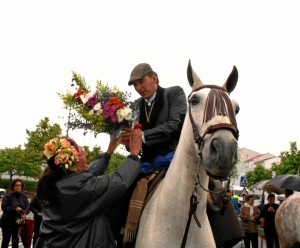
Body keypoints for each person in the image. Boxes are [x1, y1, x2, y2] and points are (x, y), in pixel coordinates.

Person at [108, 63, 187, 247]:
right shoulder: (135, 106)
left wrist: (141, 137)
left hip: (173, 158)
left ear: (154, 77)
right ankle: (118, 237)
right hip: (144, 164)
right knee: (119, 191)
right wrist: (128, 143)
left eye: (140, 82)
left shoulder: (174, 93)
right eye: (134, 85)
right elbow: (135, 146)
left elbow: (177, 125)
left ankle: (223, 236)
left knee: (213, 188)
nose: (138, 88)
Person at [35, 130, 142, 248]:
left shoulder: (56, 182)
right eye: (81, 153)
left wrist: (109, 151)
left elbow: (90, 172)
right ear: (71, 164)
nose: (86, 154)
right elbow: (119, 181)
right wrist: (133, 155)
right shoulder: (78, 188)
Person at [0, 178, 30, 248]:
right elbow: (4, 207)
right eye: (16, 185)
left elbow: (28, 206)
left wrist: (24, 213)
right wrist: (15, 209)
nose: (18, 187)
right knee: (6, 240)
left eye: (19, 185)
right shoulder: (7, 196)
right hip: (7, 222)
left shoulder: (23, 196)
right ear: (13, 186)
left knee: (16, 241)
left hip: (17, 223)